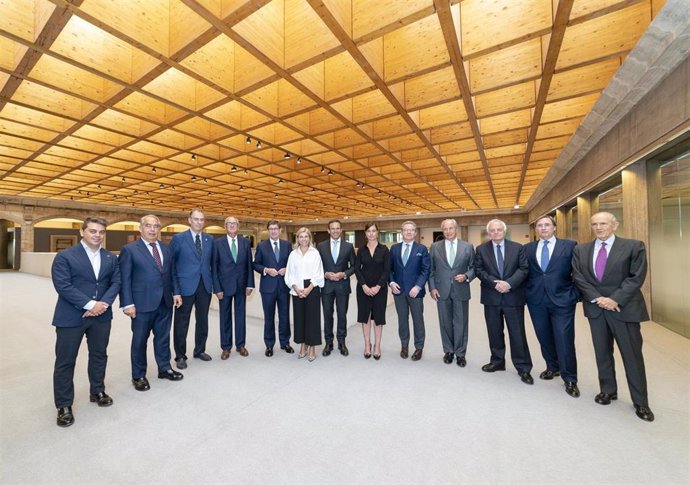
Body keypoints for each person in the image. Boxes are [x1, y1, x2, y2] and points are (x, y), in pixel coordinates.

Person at [572, 212, 654, 422]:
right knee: (602, 353)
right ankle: (608, 390)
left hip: (623, 309)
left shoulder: (633, 246)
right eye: (595, 224)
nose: (599, 227)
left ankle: (641, 403)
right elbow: (578, 276)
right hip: (597, 309)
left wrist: (614, 299)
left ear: (614, 225)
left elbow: (636, 277)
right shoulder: (581, 250)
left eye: (603, 224)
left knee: (632, 356)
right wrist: (597, 298)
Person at [50, 217, 121, 427]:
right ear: (82, 232)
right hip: (71, 317)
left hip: (102, 316)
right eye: (92, 231)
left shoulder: (110, 257)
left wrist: (104, 304)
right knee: (66, 361)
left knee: (99, 354)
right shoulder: (65, 256)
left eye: (101, 232)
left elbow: (116, 281)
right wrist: (91, 304)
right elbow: (63, 285)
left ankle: (97, 391)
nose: (97, 235)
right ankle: (63, 405)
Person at [120, 215, 183, 392]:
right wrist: (127, 304)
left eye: (156, 226)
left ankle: (164, 368)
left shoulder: (166, 248)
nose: (153, 229)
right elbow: (124, 279)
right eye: (148, 226)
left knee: (163, 338)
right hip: (141, 304)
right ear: (140, 228)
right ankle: (138, 375)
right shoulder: (129, 250)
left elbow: (172, 273)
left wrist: (176, 292)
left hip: (165, 301)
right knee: (140, 341)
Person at [525, 215, 580, 397]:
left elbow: (579, 272)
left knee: (564, 338)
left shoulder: (570, 246)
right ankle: (552, 367)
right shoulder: (528, 248)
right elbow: (524, 273)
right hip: (537, 300)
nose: (543, 228)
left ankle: (570, 378)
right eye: (539, 225)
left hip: (562, 300)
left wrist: (575, 294)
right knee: (544, 336)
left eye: (547, 225)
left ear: (554, 227)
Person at [474, 219, 533, 385]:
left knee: (517, 333)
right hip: (491, 296)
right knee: (494, 332)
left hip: (513, 296)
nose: (495, 232)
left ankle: (523, 367)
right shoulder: (481, 249)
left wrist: (508, 284)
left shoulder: (517, 248)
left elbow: (524, 269)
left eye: (499, 230)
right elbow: (479, 270)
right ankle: (497, 362)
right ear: (488, 232)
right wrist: (496, 283)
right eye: (492, 230)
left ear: (504, 231)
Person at [171, 208, 214, 369]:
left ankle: (199, 350)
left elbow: (212, 264)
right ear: (189, 220)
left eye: (202, 220)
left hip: (204, 286)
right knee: (182, 322)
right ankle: (180, 356)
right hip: (185, 287)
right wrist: (175, 290)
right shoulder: (179, 238)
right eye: (196, 219)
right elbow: (172, 266)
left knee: (203, 320)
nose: (199, 222)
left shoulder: (209, 239)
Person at [428, 219, 475, 367]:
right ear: (442, 231)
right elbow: (431, 270)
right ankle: (448, 351)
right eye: (445, 229)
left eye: (451, 228)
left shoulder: (467, 247)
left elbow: (474, 267)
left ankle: (460, 353)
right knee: (445, 322)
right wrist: (432, 288)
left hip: (461, 289)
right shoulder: (435, 247)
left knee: (461, 323)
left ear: (456, 229)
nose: (448, 231)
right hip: (441, 291)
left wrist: (467, 276)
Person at [213, 216, 254, 359]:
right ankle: (226, 347)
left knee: (240, 316)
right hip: (224, 288)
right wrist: (217, 288)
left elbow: (249, 265)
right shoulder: (217, 243)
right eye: (229, 223)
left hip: (241, 286)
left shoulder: (245, 242)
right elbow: (215, 268)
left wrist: (250, 284)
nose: (231, 226)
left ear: (238, 226)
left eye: (234, 223)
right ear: (225, 226)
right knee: (225, 317)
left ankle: (240, 345)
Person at [389, 221, 430, 361]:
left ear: (416, 232)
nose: (409, 232)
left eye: (412, 230)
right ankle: (404, 346)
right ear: (401, 232)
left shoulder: (422, 249)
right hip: (399, 291)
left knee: (418, 320)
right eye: (406, 230)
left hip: (415, 292)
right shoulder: (394, 249)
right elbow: (389, 269)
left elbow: (426, 270)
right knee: (402, 319)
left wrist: (418, 286)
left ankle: (419, 348)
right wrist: (392, 282)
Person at [253, 220, 293, 356]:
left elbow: (293, 264)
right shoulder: (262, 246)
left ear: (280, 230)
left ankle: (285, 342)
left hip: (283, 287)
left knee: (284, 316)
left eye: (276, 228)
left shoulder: (287, 245)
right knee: (269, 317)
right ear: (268, 230)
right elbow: (256, 264)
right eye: (271, 229)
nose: (273, 231)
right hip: (267, 288)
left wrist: (287, 269)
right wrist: (266, 270)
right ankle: (269, 345)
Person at [317, 219, 356, 357]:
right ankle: (328, 343)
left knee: (342, 316)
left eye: (337, 228)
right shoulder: (320, 246)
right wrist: (325, 274)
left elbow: (354, 266)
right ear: (328, 230)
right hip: (326, 287)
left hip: (342, 287)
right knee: (327, 316)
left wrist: (344, 274)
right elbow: (316, 267)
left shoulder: (348, 246)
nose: (335, 231)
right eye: (332, 228)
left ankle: (341, 342)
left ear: (341, 230)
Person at [284, 227, 324, 362]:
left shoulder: (315, 253)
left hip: (311, 288)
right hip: (297, 289)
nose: (304, 239)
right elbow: (289, 274)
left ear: (310, 238)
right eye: (301, 237)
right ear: (297, 239)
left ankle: (312, 347)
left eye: (306, 236)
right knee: (300, 319)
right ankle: (302, 345)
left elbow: (318, 273)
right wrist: (295, 288)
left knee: (312, 319)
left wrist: (308, 289)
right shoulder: (292, 254)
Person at [354, 223, 390, 360]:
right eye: (368, 231)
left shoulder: (384, 250)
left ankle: (377, 346)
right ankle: (367, 344)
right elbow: (357, 269)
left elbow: (387, 270)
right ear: (365, 233)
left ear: (378, 233)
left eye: (373, 231)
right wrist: (364, 286)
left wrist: (378, 286)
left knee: (379, 318)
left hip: (380, 289)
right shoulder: (361, 250)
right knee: (365, 317)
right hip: (363, 289)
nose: (371, 233)